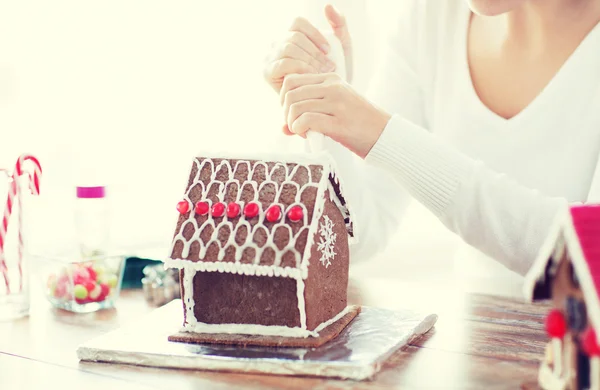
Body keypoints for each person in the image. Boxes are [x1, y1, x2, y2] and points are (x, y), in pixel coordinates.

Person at [263, 1, 600, 296]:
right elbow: (359, 235)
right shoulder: (431, 16)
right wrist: (324, 123)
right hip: (477, 347)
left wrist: (383, 135)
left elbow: (585, 255)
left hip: (581, 351)